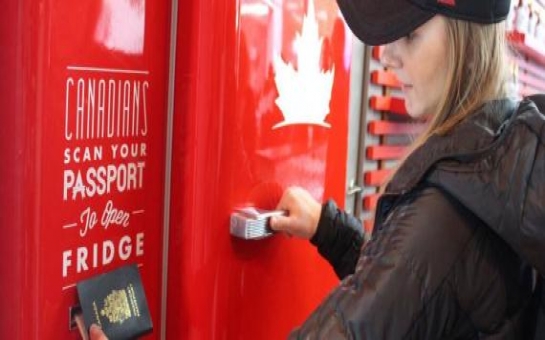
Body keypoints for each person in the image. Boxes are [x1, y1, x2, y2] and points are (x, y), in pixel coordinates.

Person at [270, 0, 545, 338]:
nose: (386, 55)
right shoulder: (500, 148)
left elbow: (422, 265)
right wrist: (332, 232)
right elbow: (425, 290)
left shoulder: (445, 212)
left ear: (466, 42)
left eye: (410, 35)